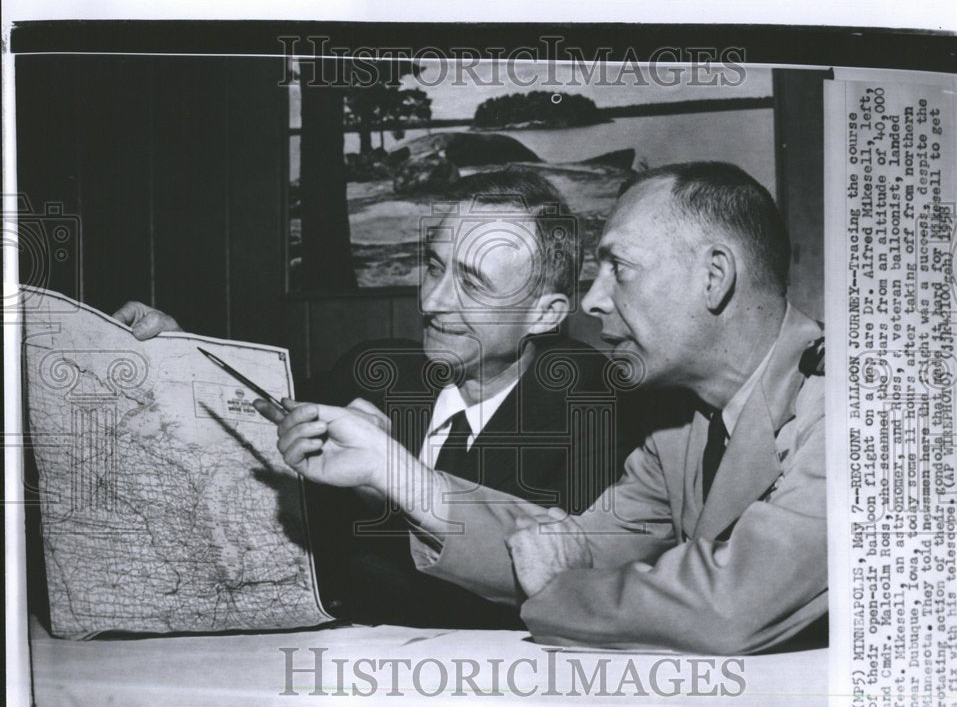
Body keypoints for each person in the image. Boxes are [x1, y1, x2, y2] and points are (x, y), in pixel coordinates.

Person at [274, 161, 828, 654]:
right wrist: (390, 470)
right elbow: (577, 544)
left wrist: (563, 587)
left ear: (714, 277)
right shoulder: (679, 429)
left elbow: (729, 609)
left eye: (620, 268)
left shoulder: (859, 411)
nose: (592, 300)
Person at [114, 169, 642, 629]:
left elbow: (558, 586)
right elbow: (260, 417)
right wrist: (178, 353)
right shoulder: (372, 373)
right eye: (435, 267)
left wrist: (386, 484)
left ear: (546, 315)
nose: (432, 302)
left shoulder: (601, 412)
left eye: (473, 285)